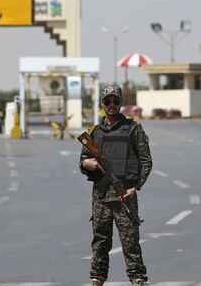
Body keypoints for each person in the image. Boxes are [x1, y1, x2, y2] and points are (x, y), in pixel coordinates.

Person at [79, 84, 152, 286]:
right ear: (102, 103)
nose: (112, 105)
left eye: (116, 101)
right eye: (107, 101)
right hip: (101, 196)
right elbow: (83, 160)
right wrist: (87, 163)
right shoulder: (94, 132)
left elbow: (146, 161)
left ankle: (137, 277)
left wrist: (135, 187)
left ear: (121, 103)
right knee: (100, 240)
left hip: (124, 195)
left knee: (130, 241)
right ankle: (98, 277)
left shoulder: (133, 130)